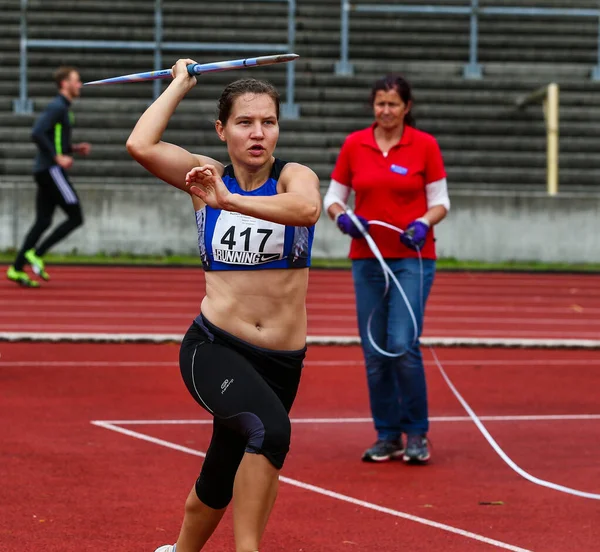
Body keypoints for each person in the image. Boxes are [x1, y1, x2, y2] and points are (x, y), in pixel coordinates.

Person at [126, 58, 320, 552]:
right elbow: (140, 145)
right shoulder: (202, 174)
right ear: (221, 129)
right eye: (244, 122)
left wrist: (229, 202)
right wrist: (178, 84)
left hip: (282, 361)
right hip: (214, 346)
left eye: (268, 122)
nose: (258, 133)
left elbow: (307, 210)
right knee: (270, 431)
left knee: (221, 467)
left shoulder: (292, 178)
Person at [323, 74, 450, 464]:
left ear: (406, 107)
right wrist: (343, 218)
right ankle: (387, 434)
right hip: (367, 260)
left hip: (413, 259)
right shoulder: (354, 144)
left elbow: (440, 201)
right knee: (375, 351)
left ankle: (416, 434)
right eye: (380, 103)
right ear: (372, 106)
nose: (386, 110)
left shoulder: (424, 145)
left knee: (402, 346)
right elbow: (333, 196)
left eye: (393, 103)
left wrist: (423, 223)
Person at [6, 66, 91, 287]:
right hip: (51, 170)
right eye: (76, 80)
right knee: (75, 216)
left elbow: (55, 139)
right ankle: (37, 253)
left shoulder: (63, 108)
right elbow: (37, 132)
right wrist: (58, 158)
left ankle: (16, 268)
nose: (79, 84)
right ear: (64, 84)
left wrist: (73, 149)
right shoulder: (57, 107)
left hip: (45, 170)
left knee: (43, 221)